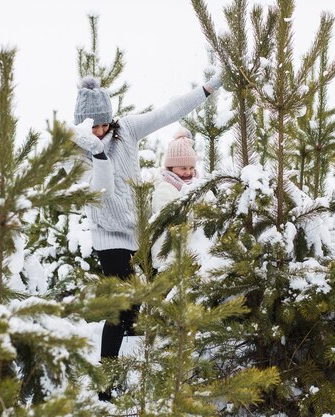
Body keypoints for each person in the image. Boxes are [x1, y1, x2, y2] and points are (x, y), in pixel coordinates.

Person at [69, 73, 222, 399]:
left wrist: (207, 90)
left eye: (104, 124)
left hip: (138, 233)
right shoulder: (77, 152)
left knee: (137, 310)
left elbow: (169, 111)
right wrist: (97, 153)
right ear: (81, 125)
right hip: (109, 238)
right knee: (121, 306)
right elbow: (101, 190)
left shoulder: (127, 130)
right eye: (92, 127)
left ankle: (134, 372)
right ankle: (106, 387)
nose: (100, 131)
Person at [150, 128, 199, 269]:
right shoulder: (164, 188)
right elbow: (173, 218)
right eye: (183, 168)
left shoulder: (197, 185)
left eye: (191, 167)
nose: (188, 172)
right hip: (169, 257)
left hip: (192, 254)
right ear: (171, 167)